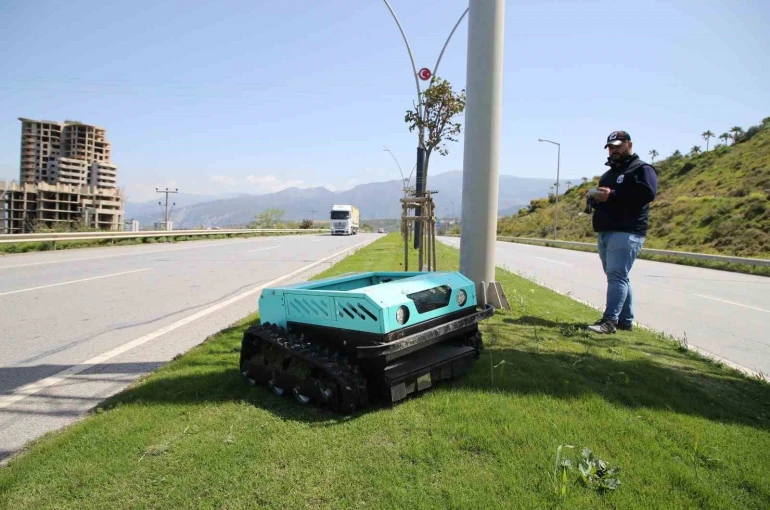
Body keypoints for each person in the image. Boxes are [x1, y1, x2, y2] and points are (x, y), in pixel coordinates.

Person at [587, 130, 658, 334]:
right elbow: (608, 199)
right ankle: (625, 320)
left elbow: (648, 193)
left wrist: (614, 195)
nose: (614, 150)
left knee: (617, 275)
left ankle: (609, 322)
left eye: (618, 146)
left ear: (629, 144)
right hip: (606, 231)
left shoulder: (641, 169)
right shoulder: (608, 175)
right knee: (618, 276)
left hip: (628, 230)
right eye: (610, 147)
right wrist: (595, 198)